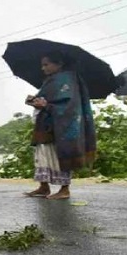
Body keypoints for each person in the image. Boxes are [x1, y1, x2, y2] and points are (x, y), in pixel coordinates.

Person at [23, 51, 97, 200]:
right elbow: (47, 99)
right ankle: (44, 187)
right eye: (42, 65)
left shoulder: (68, 79)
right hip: (46, 123)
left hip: (62, 125)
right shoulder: (51, 80)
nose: (43, 68)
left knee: (61, 155)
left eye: (46, 64)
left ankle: (64, 189)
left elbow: (69, 105)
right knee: (43, 154)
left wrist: (46, 105)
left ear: (59, 63)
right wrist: (35, 100)